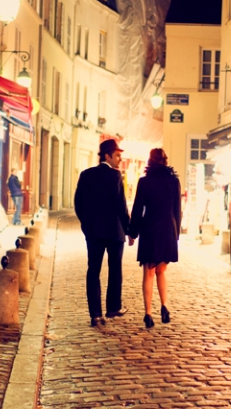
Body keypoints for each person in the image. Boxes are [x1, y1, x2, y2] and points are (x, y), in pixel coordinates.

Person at [74, 139, 132, 327]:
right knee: (115, 269)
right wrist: (129, 229)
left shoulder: (86, 175)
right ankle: (113, 307)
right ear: (107, 156)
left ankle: (96, 315)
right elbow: (121, 206)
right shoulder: (116, 176)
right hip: (115, 232)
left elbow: (78, 203)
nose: (119, 160)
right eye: (117, 156)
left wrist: (86, 224)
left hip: (94, 232)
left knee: (94, 271)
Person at [128, 149, 182, 329]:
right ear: (165, 161)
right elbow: (177, 210)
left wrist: (133, 232)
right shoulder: (174, 181)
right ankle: (165, 306)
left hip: (150, 227)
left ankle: (148, 313)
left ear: (150, 161)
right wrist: (176, 234)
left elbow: (137, 209)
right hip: (167, 228)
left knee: (148, 273)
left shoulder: (144, 182)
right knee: (162, 271)